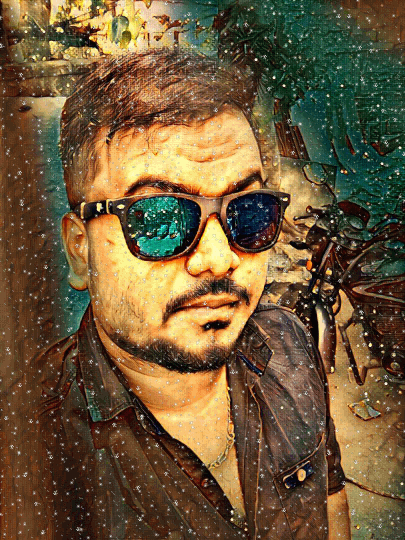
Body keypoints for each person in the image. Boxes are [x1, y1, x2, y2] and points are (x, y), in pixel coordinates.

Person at [1, 49, 350, 539]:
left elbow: (330, 504)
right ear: (81, 251)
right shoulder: (28, 445)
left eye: (249, 210)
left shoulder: (289, 344)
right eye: (160, 219)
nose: (219, 258)